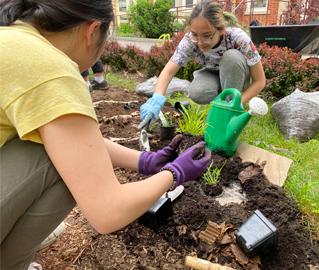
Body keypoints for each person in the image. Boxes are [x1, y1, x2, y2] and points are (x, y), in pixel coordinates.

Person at [0, 1, 212, 269]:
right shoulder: (50, 70)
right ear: (93, 30)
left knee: (57, 153)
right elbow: (107, 212)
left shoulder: (12, 38)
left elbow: (71, 143)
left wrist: (145, 162)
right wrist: (174, 173)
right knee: (63, 167)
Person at [139, 0, 266, 127]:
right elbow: (168, 71)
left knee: (231, 58)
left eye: (207, 36)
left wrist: (237, 104)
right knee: (197, 92)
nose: (200, 42)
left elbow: (260, 81)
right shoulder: (189, 40)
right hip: (212, 73)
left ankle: (228, 109)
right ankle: (221, 103)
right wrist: (156, 100)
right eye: (195, 34)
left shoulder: (238, 38)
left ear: (221, 30)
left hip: (237, 74)